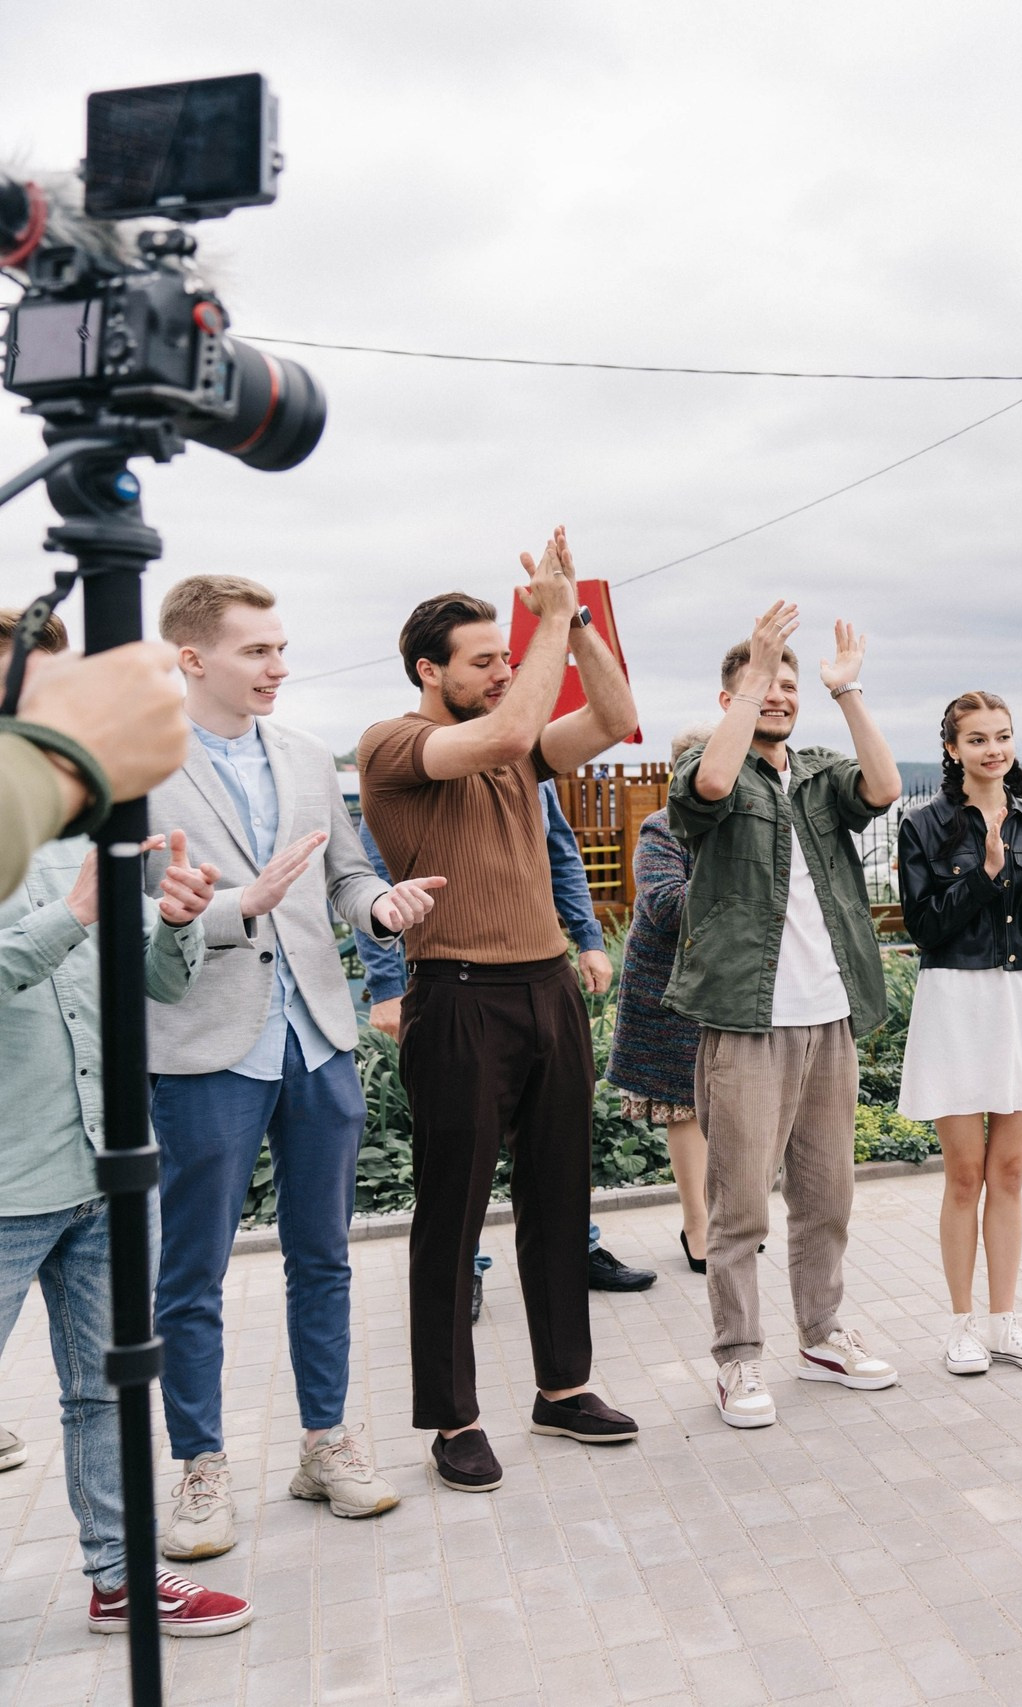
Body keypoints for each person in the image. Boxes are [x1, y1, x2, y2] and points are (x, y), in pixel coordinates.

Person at [144, 576, 444, 1561]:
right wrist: (238, 905)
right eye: (256, 651)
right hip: (203, 1047)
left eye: (280, 648)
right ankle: (201, 1470)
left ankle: (326, 1446)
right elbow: (139, 915)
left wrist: (377, 910)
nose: (279, 666)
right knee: (191, 1273)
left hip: (315, 1036)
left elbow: (345, 873)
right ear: (193, 658)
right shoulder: (136, 767)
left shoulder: (313, 757)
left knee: (323, 1256)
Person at [356, 528, 642, 1492]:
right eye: (484, 661)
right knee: (452, 1211)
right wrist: (548, 618)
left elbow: (613, 716)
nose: (504, 671)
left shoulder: (515, 757)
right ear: (430, 671)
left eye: (506, 658)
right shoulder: (394, 744)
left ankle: (563, 1391)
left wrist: (581, 620)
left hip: (546, 987)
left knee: (561, 1197)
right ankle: (452, 1419)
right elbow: (513, 730)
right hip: (460, 998)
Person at [0, 601, 249, 1635]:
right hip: (7, 1180)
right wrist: (74, 916)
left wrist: (178, 920)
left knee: (105, 1392)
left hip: (107, 1167)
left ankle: (120, 1579)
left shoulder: (92, 822)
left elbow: (146, 974)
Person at [668, 601, 900, 1429]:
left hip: (827, 1013)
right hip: (746, 1016)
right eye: (763, 681)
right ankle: (737, 1359)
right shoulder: (708, 763)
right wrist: (753, 672)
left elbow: (885, 786)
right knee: (741, 1208)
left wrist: (848, 691)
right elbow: (713, 785)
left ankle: (823, 1333)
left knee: (826, 1194)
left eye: (788, 684)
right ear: (732, 693)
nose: (778, 694)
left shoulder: (819, 773)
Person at [356, 780, 658, 1309]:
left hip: (538, 978)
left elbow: (559, 854)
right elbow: (370, 880)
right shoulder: (413, 769)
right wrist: (384, 988)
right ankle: (461, 1269)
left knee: (557, 1138)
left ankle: (575, 1251)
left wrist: (588, 939)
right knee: (459, 1143)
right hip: (453, 987)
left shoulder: (531, 772)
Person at [896, 692, 1022, 1376]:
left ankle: (1006, 1321)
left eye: (1002, 736)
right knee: (965, 1172)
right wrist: (987, 876)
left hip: (1019, 997)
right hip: (955, 1000)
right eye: (977, 739)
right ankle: (962, 1323)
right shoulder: (924, 826)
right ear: (952, 749)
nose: (992, 749)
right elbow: (924, 926)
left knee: (1009, 1169)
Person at [605, 724, 717, 1271]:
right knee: (686, 1108)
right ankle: (696, 1225)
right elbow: (665, 905)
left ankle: (721, 1218)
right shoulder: (661, 827)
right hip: (669, 990)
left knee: (728, 1108)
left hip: (728, 986)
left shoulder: (741, 824)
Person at [0, 637, 191, 900]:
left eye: (58, 681)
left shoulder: (91, 820)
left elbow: (139, 936)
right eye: (19, 679)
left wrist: (177, 922)